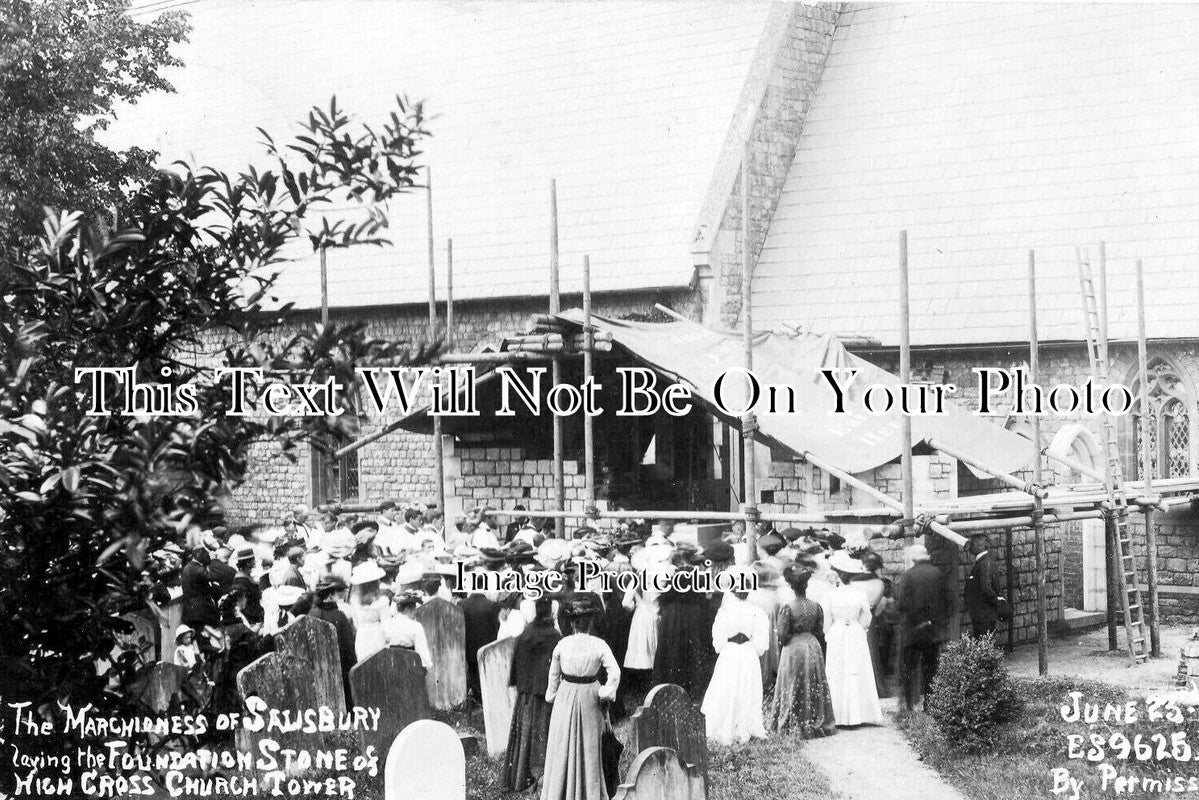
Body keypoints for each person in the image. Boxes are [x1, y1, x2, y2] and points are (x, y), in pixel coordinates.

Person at [541, 596, 621, 800]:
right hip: (590, 695)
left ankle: (561, 790)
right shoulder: (599, 644)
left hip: (566, 695)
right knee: (589, 744)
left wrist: (551, 695)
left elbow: (553, 675)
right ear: (590, 622)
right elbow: (615, 672)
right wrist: (605, 692)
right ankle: (588, 791)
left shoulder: (562, 644)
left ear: (571, 623)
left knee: (564, 743)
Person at [702, 565, 769, 746]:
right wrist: (753, 648)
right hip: (747, 653)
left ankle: (728, 726)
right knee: (746, 688)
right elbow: (761, 643)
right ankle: (744, 726)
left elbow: (718, 640)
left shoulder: (725, 612)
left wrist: (724, 647)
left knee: (727, 687)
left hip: (730, 653)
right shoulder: (758, 612)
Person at [767, 566, 836, 738]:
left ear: (792, 587)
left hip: (794, 647)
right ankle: (815, 717)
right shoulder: (816, 606)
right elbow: (819, 629)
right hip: (812, 645)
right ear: (806, 586)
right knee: (813, 681)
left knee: (793, 682)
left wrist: (783, 640)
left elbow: (782, 634)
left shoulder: (788, 608)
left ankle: (794, 719)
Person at [504, 598, 560, 793]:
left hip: (527, 694)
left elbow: (516, 662)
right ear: (550, 613)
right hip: (545, 695)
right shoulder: (554, 636)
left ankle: (520, 778)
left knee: (526, 735)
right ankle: (541, 777)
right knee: (542, 734)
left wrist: (518, 683)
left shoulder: (526, 633)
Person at [820, 551, 882, 726]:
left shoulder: (830, 595)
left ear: (839, 576)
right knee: (856, 669)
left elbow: (825, 619)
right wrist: (861, 628)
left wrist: (828, 633)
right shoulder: (859, 594)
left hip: (837, 631)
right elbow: (867, 616)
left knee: (838, 670)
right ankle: (858, 714)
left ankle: (839, 715)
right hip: (855, 631)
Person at [894, 543, 953, 710]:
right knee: (931, 666)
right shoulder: (939, 574)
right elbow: (949, 601)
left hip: (913, 629)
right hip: (933, 629)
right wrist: (937, 620)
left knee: (909, 667)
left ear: (913, 558)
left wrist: (916, 620)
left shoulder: (908, 575)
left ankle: (908, 705)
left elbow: (902, 604)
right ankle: (929, 703)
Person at [307, 575, 357, 701]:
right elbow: (349, 648)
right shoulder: (339, 616)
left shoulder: (311, 615)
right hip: (339, 669)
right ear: (330, 595)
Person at [460, 578, 501, 700]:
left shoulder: (461, 605)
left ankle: (477, 699)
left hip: (468, 649)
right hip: (487, 649)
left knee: (473, 676)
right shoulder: (492, 605)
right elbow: (497, 628)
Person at [964, 534, 1006, 637]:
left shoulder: (984, 562)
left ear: (981, 546)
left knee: (983, 641)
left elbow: (985, 586)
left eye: (973, 544)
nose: (970, 547)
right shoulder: (984, 561)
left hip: (984, 613)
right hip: (983, 613)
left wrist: (996, 601)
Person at [381, 592, 433, 669]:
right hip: (409, 667)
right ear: (407, 610)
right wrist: (426, 667)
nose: (415, 612)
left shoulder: (385, 624)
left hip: (389, 668)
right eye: (414, 609)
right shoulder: (415, 626)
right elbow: (423, 655)